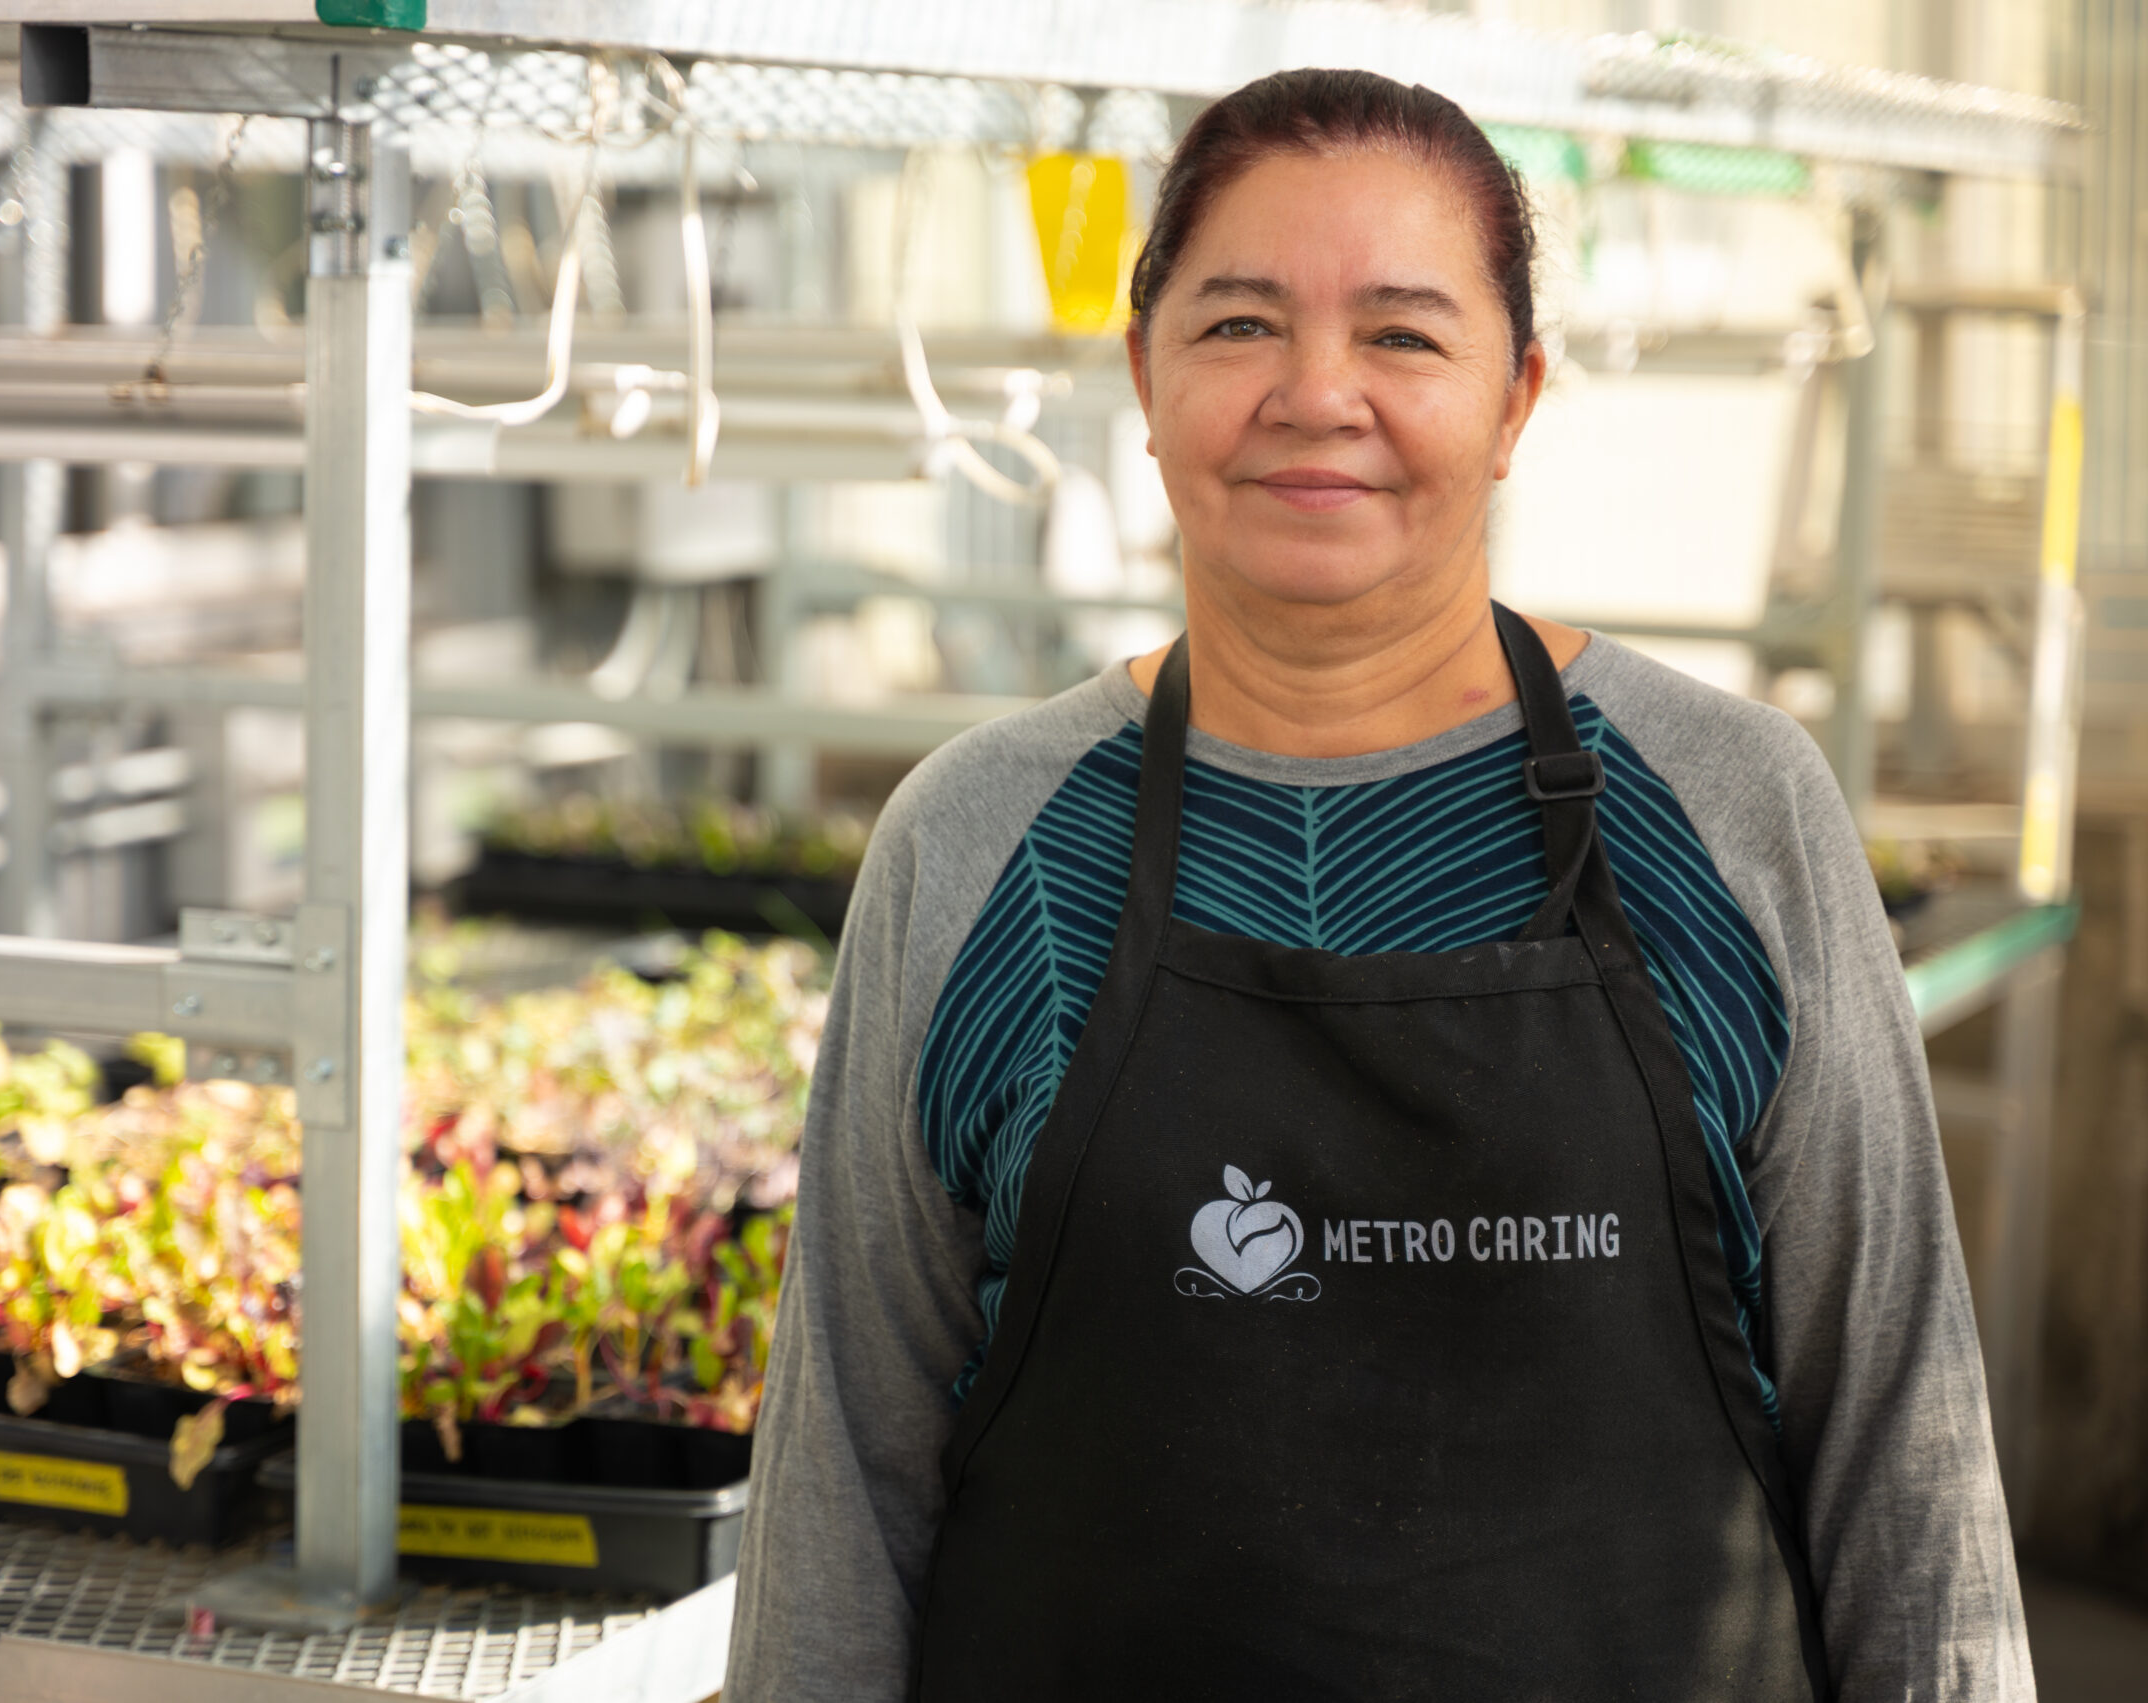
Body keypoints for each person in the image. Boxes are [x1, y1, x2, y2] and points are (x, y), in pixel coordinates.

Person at [724, 67, 2031, 1703]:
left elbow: (1905, 1450)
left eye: (1405, 334)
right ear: (1143, 375)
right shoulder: (988, 841)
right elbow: (845, 1478)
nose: (1315, 393)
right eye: (1238, 326)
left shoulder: (1728, 810)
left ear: (1517, 399)